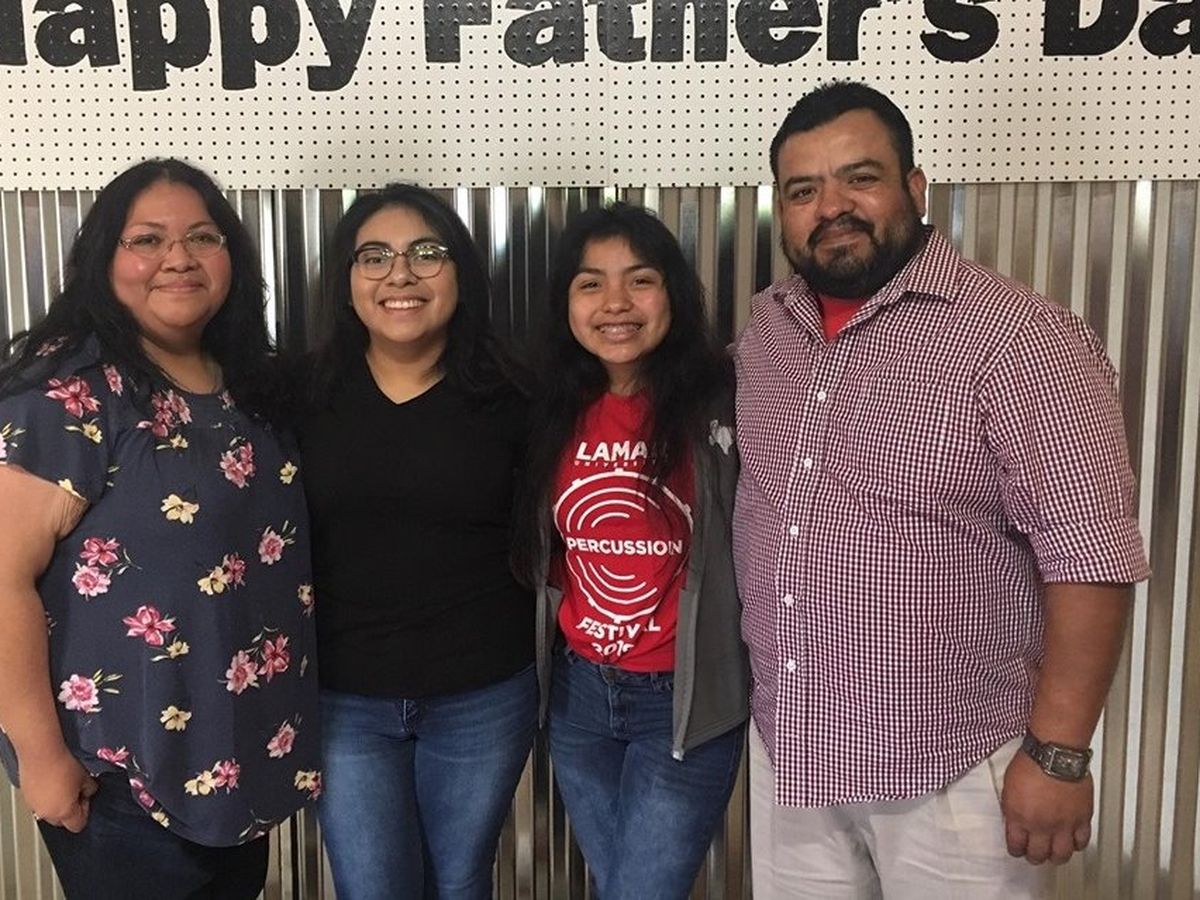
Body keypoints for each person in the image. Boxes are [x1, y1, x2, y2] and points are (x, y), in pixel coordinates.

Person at [732, 80, 1151, 899]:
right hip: (793, 753)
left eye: (860, 178)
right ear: (781, 211)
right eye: (803, 190)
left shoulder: (1021, 337)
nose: (832, 207)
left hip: (951, 771)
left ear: (916, 188)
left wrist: (1059, 754)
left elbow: (1091, 555)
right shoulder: (766, 332)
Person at [0, 159, 321, 899]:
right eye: (147, 239)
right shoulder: (70, 392)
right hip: (121, 781)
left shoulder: (248, 385)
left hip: (238, 763)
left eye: (202, 237)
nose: (178, 258)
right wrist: (42, 760)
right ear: (103, 259)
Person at [294, 184, 537, 900]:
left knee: (459, 881)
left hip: (483, 694)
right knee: (372, 887)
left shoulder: (517, 394)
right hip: (343, 698)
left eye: (426, 253)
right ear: (346, 280)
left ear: (460, 272)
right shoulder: (298, 395)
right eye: (374, 257)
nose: (400, 274)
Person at [512, 203, 750, 899]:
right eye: (591, 284)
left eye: (639, 280)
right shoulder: (547, 407)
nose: (615, 303)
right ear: (566, 303)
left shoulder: (724, 401)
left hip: (682, 701)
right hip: (579, 697)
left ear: (672, 293)